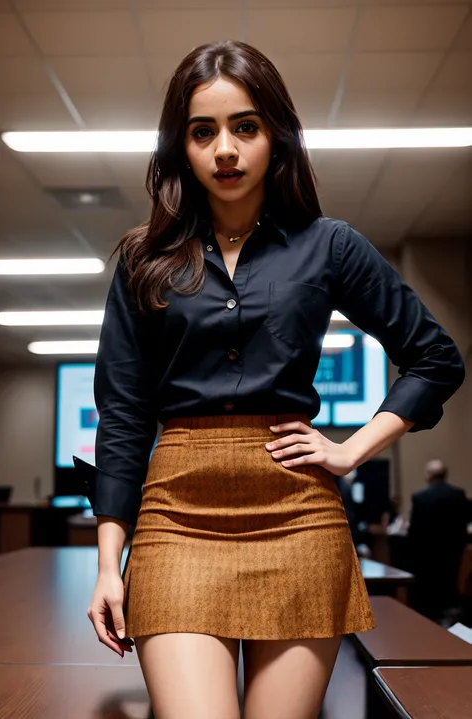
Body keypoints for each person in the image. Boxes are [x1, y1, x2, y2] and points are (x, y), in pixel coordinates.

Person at [73, 40, 465, 719]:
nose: (225, 149)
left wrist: (349, 449)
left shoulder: (329, 245)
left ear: (274, 136)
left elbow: (435, 357)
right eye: (204, 131)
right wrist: (109, 563)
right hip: (176, 517)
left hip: (297, 515)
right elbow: (124, 413)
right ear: (181, 147)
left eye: (244, 127)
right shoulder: (144, 259)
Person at [408, 459, 469, 622]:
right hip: (453, 551)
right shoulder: (459, 495)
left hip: (427, 553)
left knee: (428, 594)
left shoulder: (420, 497)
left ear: (429, 476)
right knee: (449, 587)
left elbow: (414, 531)